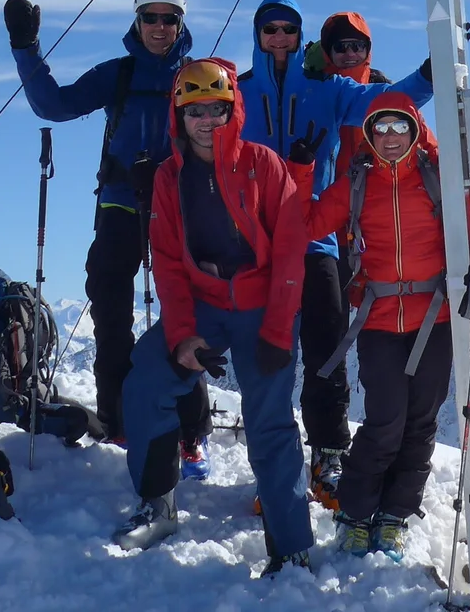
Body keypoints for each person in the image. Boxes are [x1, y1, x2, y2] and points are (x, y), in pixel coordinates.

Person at [115, 57, 314, 576]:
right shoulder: (168, 177)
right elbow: (168, 260)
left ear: (233, 111)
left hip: (260, 304)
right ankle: (157, 504)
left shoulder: (264, 165)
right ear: (178, 115)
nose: (206, 121)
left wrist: (276, 330)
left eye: (216, 110)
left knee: (269, 420)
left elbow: (291, 252)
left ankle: (290, 544)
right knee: (147, 382)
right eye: (195, 110)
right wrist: (181, 337)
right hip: (203, 303)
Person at [3, 0, 209, 469]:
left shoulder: (196, 77)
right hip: (120, 204)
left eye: (169, 19)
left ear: (182, 24)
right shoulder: (118, 75)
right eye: (151, 18)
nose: (160, 28)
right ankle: (119, 423)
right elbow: (52, 105)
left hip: (180, 209)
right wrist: (25, 47)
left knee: (185, 318)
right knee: (112, 315)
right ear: (136, 22)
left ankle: (190, 432)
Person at [238, 0, 433, 506]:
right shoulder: (239, 91)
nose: (279, 37)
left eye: (288, 29)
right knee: (269, 358)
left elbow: (389, 98)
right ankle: (275, 467)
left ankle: (327, 454)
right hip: (255, 244)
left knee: (326, 347)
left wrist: (431, 74)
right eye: (270, 29)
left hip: (314, 239)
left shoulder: (329, 90)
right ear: (258, 36)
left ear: (300, 38)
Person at [304, 94, 470, 561]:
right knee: (385, 420)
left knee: (420, 423)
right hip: (377, 318)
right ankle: (355, 513)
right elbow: (308, 222)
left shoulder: (437, 182)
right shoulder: (356, 184)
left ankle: (394, 515)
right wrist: (297, 172)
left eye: (399, 128)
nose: (390, 138)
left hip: (433, 317)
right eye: (381, 129)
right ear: (370, 135)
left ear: (414, 133)